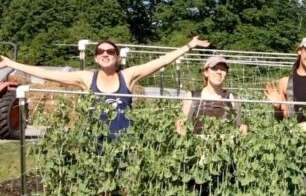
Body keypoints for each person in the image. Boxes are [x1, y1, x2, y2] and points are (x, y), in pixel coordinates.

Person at [0, 37, 210, 141]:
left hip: (126, 143)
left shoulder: (127, 76)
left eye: (111, 51)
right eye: (101, 51)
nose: (106, 53)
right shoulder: (85, 78)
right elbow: (46, 74)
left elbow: (162, 61)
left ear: (117, 57)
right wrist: (13, 63)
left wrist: (189, 45)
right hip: (95, 143)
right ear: (95, 57)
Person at [176, 55, 248, 136]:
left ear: (226, 74)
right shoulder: (191, 97)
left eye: (223, 69)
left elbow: (239, 125)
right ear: (206, 72)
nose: (219, 72)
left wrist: (243, 127)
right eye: (214, 68)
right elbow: (183, 123)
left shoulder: (233, 98)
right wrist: (179, 125)